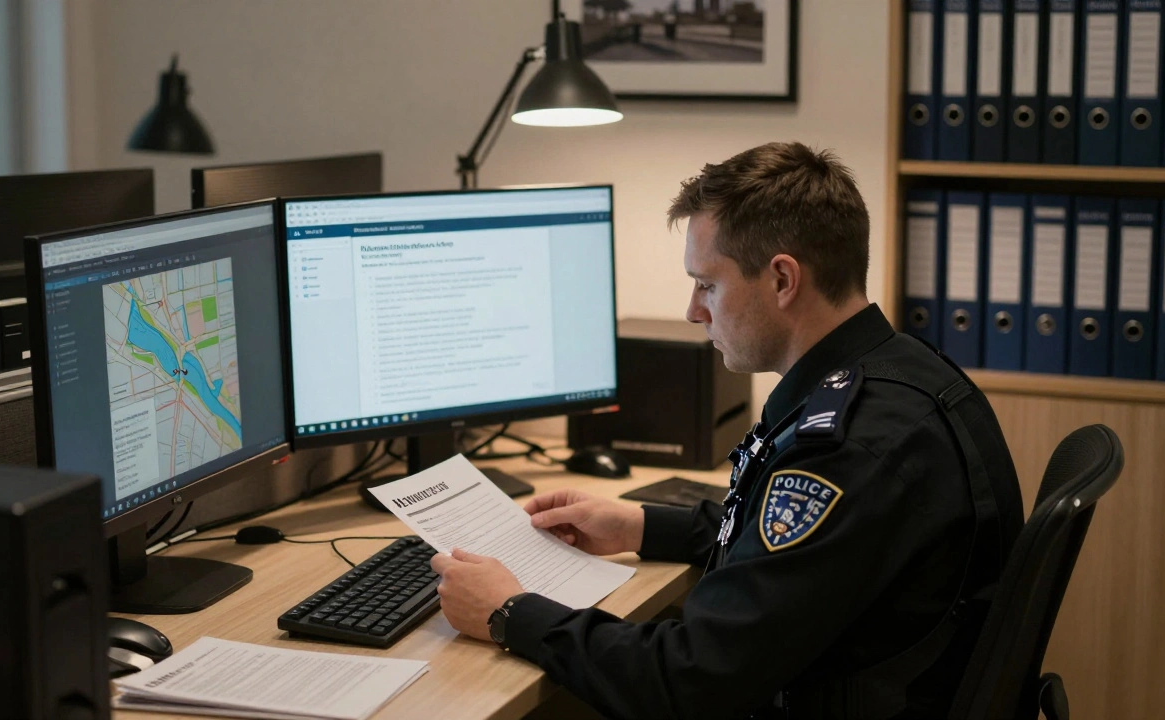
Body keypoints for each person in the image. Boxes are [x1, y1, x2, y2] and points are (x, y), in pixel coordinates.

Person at [430, 142, 1025, 719]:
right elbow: (799, 548)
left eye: (707, 284)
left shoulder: (848, 450)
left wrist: (509, 612)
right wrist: (639, 523)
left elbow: (689, 682)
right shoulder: (899, 372)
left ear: (783, 280)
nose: (694, 310)